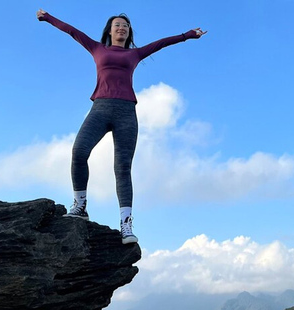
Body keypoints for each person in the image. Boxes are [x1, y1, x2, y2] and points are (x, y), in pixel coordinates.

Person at [37, 9, 207, 244]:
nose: (121, 28)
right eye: (117, 25)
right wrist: (48, 18)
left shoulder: (135, 54)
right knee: (78, 152)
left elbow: (161, 44)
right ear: (110, 30)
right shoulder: (97, 48)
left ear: (128, 32)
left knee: (122, 168)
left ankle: (126, 225)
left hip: (126, 112)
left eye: (125, 26)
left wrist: (187, 35)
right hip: (100, 108)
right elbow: (72, 31)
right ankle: (80, 205)